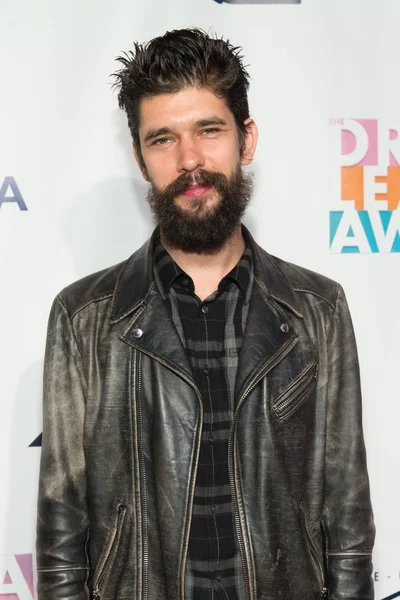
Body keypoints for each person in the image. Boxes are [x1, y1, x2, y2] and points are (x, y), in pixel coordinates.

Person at [36, 28, 375, 600]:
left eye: (208, 130)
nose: (189, 160)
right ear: (141, 160)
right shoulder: (83, 318)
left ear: (247, 140)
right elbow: (62, 540)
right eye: (162, 139)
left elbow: (346, 519)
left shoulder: (319, 310)